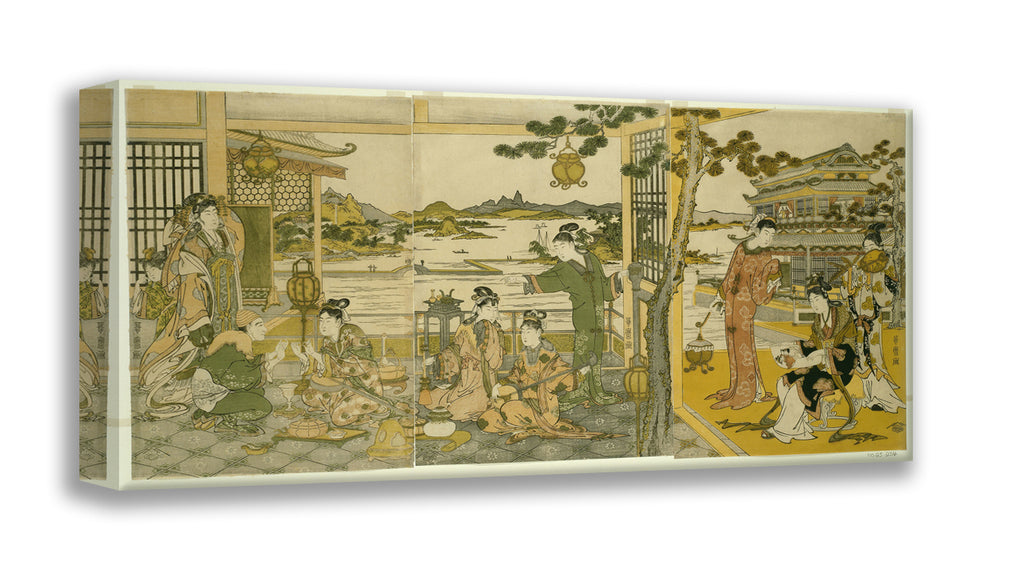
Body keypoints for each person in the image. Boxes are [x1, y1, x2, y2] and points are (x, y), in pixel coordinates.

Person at [139, 196, 244, 417]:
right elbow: (190, 279)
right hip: (204, 303)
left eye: (215, 213)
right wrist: (199, 316)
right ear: (197, 217)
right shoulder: (193, 241)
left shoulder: (223, 236)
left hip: (227, 301)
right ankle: (199, 393)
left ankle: (221, 390)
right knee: (201, 348)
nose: (213, 217)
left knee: (227, 342)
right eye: (207, 213)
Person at [506, 223, 624, 411]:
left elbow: (603, 284)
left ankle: (596, 390)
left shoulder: (592, 258)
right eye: (556, 248)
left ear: (571, 244)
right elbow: (545, 279)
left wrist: (619, 278)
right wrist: (522, 278)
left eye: (562, 247)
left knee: (596, 352)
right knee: (583, 351)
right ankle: (578, 390)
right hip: (583, 314)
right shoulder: (563, 268)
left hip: (598, 313)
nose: (559, 252)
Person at [477, 310, 616, 444]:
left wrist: (582, 372)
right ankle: (518, 424)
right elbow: (515, 375)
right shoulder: (524, 354)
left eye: (528, 332)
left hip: (543, 407)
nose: (524, 336)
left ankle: (523, 426)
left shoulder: (548, 356)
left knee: (507, 410)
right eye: (522, 332)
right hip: (523, 399)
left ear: (538, 332)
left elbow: (562, 379)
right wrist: (499, 385)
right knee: (486, 419)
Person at [763, 275, 857, 443]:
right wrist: (793, 350)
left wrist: (827, 354)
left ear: (826, 297)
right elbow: (813, 344)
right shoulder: (818, 321)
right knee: (783, 381)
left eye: (817, 299)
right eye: (811, 301)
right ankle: (800, 426)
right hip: (821, 365)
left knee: (799, 387)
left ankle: (783, 430)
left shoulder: (843, 316)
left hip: (840, 368)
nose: (814, 305)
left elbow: (849, 347)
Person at [707, 215, 781, 410]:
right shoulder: (742, 247)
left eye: (772, 235)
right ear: (757, 231)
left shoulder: (765, 256)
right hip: (731, 302)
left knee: (744, 348)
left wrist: (771, 288)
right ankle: (735, 389)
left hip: (746, 306)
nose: (768, 238)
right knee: (733, 346)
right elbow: (731, 274)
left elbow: (759, 291)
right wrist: (719, 297)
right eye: (766, 233)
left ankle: (747, 393)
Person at [190, 310, 286, 436]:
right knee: (263, 407)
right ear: (248, 327)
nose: (264, 329)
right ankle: (226, 423)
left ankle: (207, 414)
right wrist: (274, 361)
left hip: (217, 391)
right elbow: (238, 380)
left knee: (258, 392)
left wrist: (275, 355)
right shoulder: (238, 342)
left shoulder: (238, 340)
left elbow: (249, 364)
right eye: (259, 325)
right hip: (210, 397)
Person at [297, 298, 388, 427]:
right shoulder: (327, 340)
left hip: (363, 388)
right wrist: (306, 358)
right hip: (342, 387)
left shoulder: (353, 333)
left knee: (338, 418)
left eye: (328, 321)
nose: (323, 325)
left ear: (338, 321)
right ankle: (337, 406)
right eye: (321, 321)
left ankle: (369, 410)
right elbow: (325, 367)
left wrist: (316, 355)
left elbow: (357, 366)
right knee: (308, 396)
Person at [842, 222, 903, 412]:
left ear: (880, 246)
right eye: (866, 247)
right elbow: (850, 284)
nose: (868, 250)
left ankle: (884, 399)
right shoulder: (861, 264)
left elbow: (890, 289)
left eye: (872, 246)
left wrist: (875, 277)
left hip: (873, 317)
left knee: (874, 355)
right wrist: (851, 278)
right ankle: (867, 396)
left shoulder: (885, 262)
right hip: (860, 316)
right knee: (861, 355)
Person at [420, 286, 505, 422]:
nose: (492, 314)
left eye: (495, 310)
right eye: (488, 309)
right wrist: (436, 358)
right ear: (478, 309)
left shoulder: (495, 329)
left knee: (456, 411)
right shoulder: (466, 326)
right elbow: (455, 349)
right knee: (435, 398)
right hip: (466, 376)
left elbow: (495, 362)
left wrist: (490, 335)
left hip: (483, 379)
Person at [130, 248, 177, 338]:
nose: (151, 274)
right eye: (148, 272)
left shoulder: (169, 282)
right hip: (151, 316)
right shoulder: (152, 285)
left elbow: (164, 300)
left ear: (162, 267)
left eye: (153, 270)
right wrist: (138, 286)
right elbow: (135, 304)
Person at [79, 248, 107, 321]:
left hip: (88, 313)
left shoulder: (86, 282)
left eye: (90, 272)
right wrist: (90, 289)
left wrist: (99, 284)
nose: (87, 274)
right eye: (84, 269)